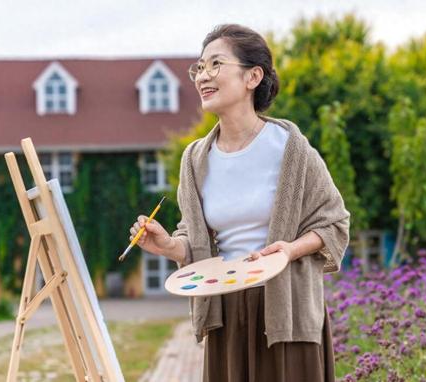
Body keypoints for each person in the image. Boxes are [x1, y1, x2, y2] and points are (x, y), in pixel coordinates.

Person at [128, 24, 350, 382]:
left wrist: (290, 250)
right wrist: (169, 244)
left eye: (215, 64)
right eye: (199, 67)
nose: (202, 76)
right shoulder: (195, 158)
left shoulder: (292, 149)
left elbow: (334, 223)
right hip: (225, 308)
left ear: (253, 77)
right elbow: (194, 237)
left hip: (286, 311)